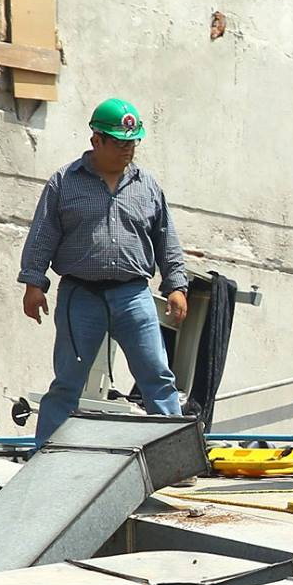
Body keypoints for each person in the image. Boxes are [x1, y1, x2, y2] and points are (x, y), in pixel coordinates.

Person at [18, 97, 189, 445]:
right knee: (68, 381)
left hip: (133, 295)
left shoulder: (147, 186)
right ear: (96, 140)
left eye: (133, 142)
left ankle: (175, 456)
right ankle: (46, 454)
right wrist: (34, 283)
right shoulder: (65, 182)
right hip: (81, 296)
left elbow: (165, 237)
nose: (128, 150)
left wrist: (176, 285)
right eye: (120, 143)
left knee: (157, 377)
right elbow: (43, 234)